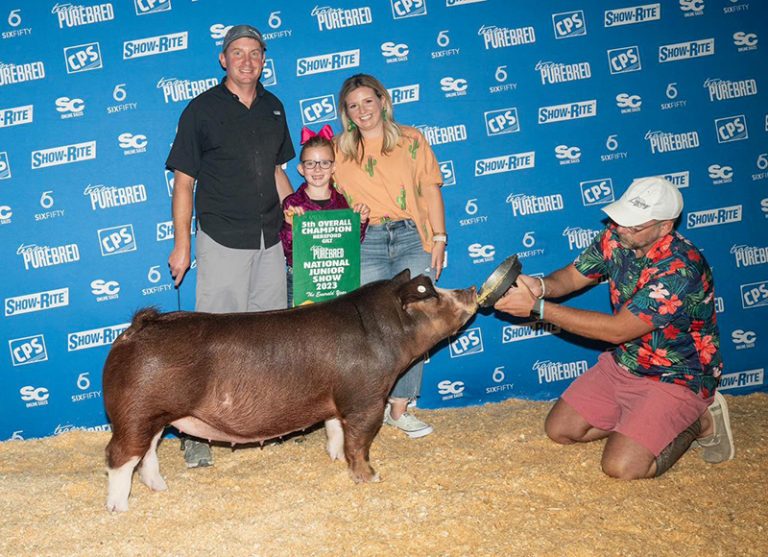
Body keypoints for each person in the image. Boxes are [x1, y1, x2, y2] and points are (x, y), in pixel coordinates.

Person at [494, 177, 734, 479]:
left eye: (634, 225)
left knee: (621, 468)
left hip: (676, 376)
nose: (621, 228)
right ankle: (641, 421)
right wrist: (541, 287)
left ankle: (701, 420)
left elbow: (616, 331)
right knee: (560, 430)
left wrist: (537, 308)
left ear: (665, 227)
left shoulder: (680, 268)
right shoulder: (617, 237)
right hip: (625, 362)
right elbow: (573, 275)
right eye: (621, 220)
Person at [166, 24, 295, 468]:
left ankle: (263, 421)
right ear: (223, 59)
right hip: (222, 237)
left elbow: (280, 174)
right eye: (237, 52)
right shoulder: (201, 110)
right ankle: (196, 432)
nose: (246, 60)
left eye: (254, 53)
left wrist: (301, 219)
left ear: (263, 59)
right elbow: (183, 183)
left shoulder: (275, 108)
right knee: (212, 340)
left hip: (270, 239)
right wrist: (182, 244)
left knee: (270, 338)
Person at [333, 73, 447, 439]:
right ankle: (368, 405)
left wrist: (440, 238)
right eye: (353, 106)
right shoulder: (339, 149)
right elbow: (325, 196)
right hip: (365, 240)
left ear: (383, 101)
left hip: (412, 236)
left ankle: (400, 407)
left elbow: (431, 190)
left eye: (368, 101)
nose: (362, 110)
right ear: (346, 113)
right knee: (370, 327)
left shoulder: (412, 139)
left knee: (415, 319)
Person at [280, 125, 370, 307]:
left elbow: (351, 244)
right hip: (301, 279)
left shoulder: (342, 202)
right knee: (301, 330)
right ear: (301, 169)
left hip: (337, 279)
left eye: (324, 163)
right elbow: (288, 250)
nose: (317, 169)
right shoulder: (292, 203)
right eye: (310, 163)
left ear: (333, 167)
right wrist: (290, 226)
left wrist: (360, 222)